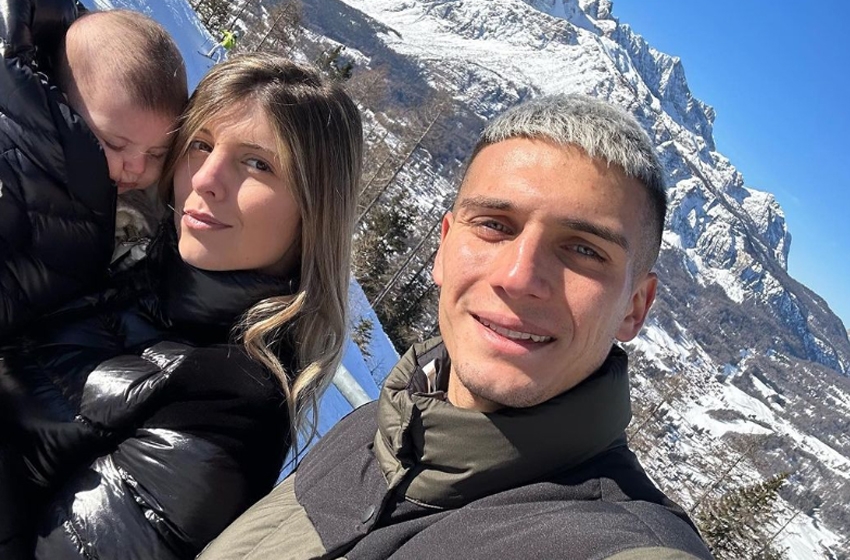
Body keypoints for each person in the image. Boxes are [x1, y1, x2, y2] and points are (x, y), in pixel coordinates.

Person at [198, 94, 714, 560]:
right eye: (494, 225)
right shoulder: (377, 429)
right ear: (443, 247)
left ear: (635, 307)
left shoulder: (626, 546)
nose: (519, 277)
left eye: (583, 250)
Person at [0, 41, 362, 560]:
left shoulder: (231, 406)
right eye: (200, 144)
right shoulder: (119, 254)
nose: (206, 180)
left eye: (257, 164)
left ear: (315, 211)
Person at [0, 4, 188, 338]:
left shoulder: (142, 210)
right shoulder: (16, 163)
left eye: (157, 154)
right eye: (115, 144)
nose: (137, 167)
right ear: (63, 107)